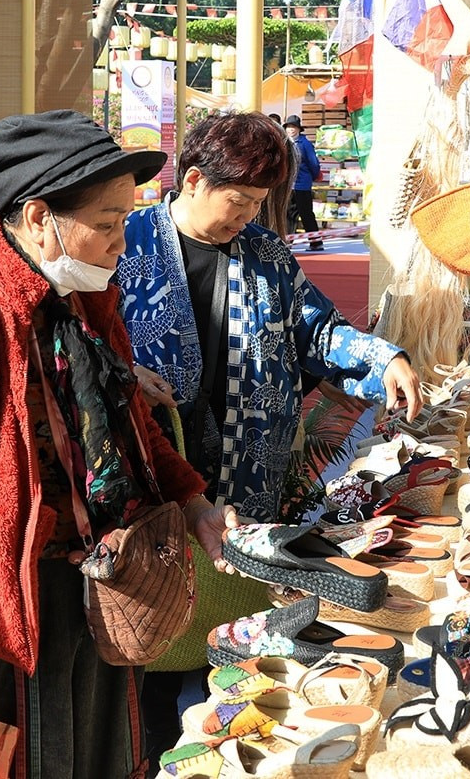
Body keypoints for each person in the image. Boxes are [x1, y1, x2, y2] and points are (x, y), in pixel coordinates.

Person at [0, 109, 237, 778]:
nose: (124, 241)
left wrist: (197, 501)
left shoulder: (84, 298)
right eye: (109, 223)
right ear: (38, 217)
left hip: (90, 590)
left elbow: (130, 422)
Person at [117, 110, 422, 525]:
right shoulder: (125, 242)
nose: (247, 218)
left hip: (249, 470)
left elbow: (317, 328)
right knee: (161, 579)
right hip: (156, 457)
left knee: (239, 579)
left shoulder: (266, 252)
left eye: (257, 204)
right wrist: (128, 372)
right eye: (239, 202)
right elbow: (85, 337)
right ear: (193, 181)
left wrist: (384, 359)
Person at [282, 113, 325, 249]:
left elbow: (314, 163)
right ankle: (288, 242)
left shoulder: (305, 143)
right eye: (289, 127)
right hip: (288, 185)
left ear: (299, 129)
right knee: (288, 214)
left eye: (294, 127)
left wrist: (312, 177)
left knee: (306, 214)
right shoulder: (283, 142)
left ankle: (316, 242)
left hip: (302, 185)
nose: (291, 130)